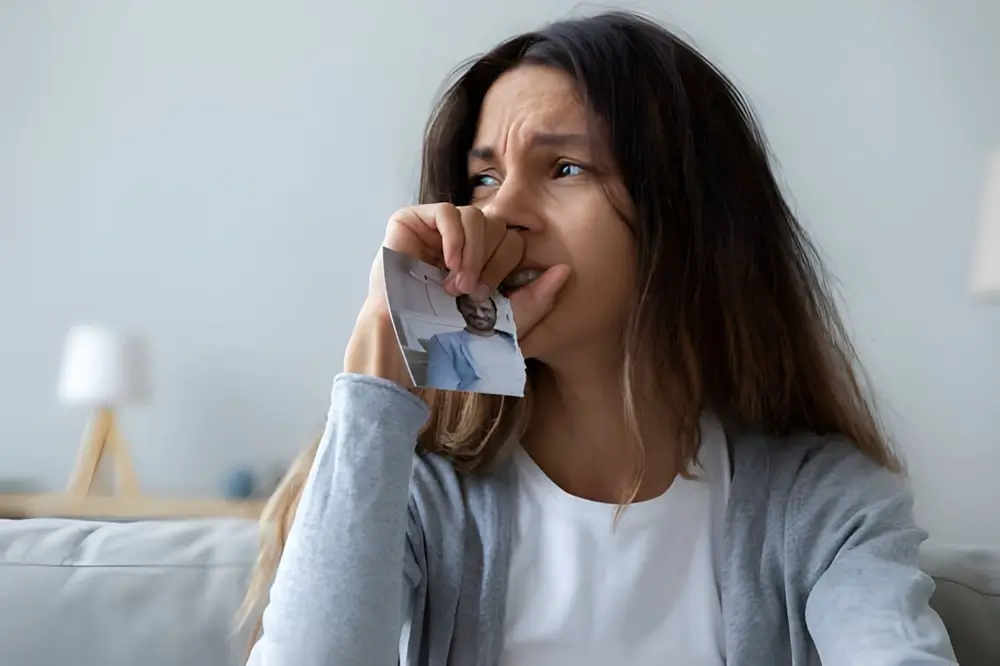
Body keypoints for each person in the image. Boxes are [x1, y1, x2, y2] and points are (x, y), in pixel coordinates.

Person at [242, 11, 956, 665]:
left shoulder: (824, 506)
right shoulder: (416, 489)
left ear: (688, 219)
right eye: (483, 178)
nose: (502, 214)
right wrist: (383, 343)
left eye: (564, 168)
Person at [424, 294, 524, 394]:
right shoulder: (445, 342)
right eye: (470, 308)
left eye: (484, 309)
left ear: (495, 310)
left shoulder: (514, 340)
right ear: (460, 309)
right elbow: (441, 391)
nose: (479, 314)